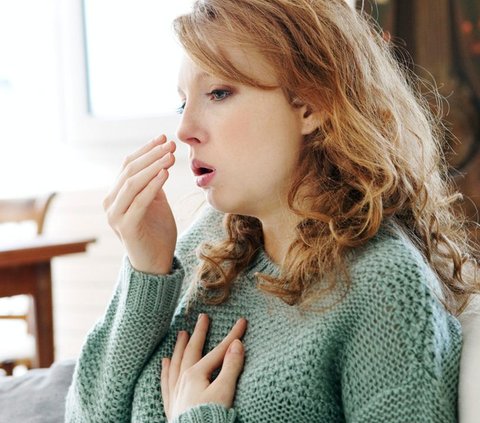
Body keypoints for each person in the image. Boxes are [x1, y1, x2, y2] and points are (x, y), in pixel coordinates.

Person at [65, 0, 480, 422]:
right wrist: (147, 270)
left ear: (310, 105)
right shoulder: (207, 247)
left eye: (218, 93)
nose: (185, 130)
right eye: (182, 103)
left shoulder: (385, 287)